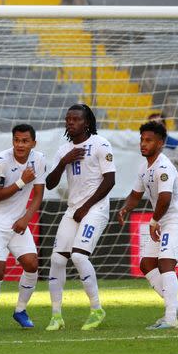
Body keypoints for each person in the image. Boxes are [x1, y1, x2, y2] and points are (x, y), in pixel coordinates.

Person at [44, 104, 115, 331]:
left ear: (86, 122)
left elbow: (110, 180)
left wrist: (86, 206)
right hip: (73, 209)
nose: (70, 122)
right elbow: (50, 183)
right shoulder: (63, 149)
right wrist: (64, 160)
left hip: (95, 209)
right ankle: (56, 316)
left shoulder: (100, 144)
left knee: (79, 256)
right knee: (56, 260)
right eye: (68, 119)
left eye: (75, 119)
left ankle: (96, 309)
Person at [118, 121, 178, 329]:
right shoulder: (144, 167)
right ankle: (175, 305)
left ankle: (170, 319)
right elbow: (135, 195)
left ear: (161, 143)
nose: (143, 144)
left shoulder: (164, 166)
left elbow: (165, 198)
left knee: (165, 262)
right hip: (163, 220)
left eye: (149, 140)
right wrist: (125, 208)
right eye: (142, 139)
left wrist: (153, 221)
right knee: (147, 264)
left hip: (177, 219)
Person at [0, 124, 47, 331]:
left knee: (31, 264)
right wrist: (21, 181)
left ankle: (20, 310)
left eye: (25, 141)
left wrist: (26, 218)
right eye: (17, 140)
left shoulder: (39, 159)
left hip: (18, 222)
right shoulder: (0, 160)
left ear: (33, 143)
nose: (20, 144)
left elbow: (38, 194)